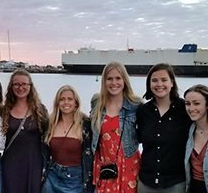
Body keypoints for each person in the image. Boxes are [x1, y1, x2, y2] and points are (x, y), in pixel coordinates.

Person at [136, 63, 193, 193]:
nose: (159, 84)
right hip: (146, 182)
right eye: (154, 80)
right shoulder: (143, 111)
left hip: (175, 183)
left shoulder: (184, 109)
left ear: (172, 82)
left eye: (164, 80)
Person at [91, 61, 142, 193]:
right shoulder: (97, 102)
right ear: (104, 81)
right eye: (110, 79)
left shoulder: (135, 104)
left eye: (118, 78)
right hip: (104, 166)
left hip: (128, 165)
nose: (114, 83)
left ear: (124, 80)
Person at [1, 69, 49, 193]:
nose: (20, 87)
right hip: (10, 164)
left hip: (34, 164)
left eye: (24, 84)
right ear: (11, 87)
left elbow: (50, 133)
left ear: (30, 86)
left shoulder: (40, 110)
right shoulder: (4, 110)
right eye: (16, 84)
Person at [41, 85, 94, 193]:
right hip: (52, 175)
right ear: (57, 103)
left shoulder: (85, 124)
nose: (66, 102)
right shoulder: (50, 124)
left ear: (76, 103)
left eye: (70, 99)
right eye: (62, 99)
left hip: (75, 178)